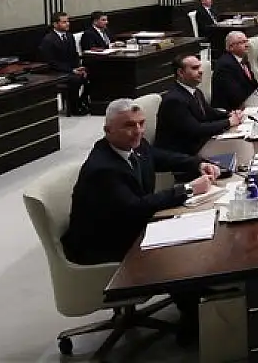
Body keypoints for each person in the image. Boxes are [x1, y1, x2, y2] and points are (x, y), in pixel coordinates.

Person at [60, 98, 219, 346]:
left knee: (187, 226)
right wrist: (188, 189)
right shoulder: (103, 168)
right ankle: (193, 321)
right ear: (108, 130)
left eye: (141, 123)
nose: (138, 131)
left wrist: (198, 163)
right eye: (129, 125)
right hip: (101, 244)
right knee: (175, 247)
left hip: (126, 225)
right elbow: (136, 208)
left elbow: (159, 157)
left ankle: (196, 296)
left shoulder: (135, 145)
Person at [155, 54, 242, 156]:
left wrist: (229, 114)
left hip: (199, 145)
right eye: (195, 68)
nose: (201, 71)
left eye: (200, 67)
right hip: (182, 155)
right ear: (180, 72)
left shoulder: (195, 91)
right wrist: (229, 122)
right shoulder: (174, 100)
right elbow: (196, 129)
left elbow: (209, 113)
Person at [39, 11, 89, 116]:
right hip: (56, 71)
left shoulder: (69, 36)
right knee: (75, 79)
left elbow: (75, 54)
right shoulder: (48, 40)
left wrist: (79, 67)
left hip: (70, 69)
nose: (67, 24)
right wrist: (72, 70)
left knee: (88, 74)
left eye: (68, 21)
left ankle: (81, 103)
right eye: (64, 22)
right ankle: (74, 108)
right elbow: (51, 62)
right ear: (55, 24)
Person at [210, 32, 258, 110]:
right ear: (231, 47)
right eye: (242, 42)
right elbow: (235, 96)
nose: (247, 45)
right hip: (230, 110)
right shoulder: (226, 65)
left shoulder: (242, 59)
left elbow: (252, 85)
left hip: (245, 103)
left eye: (246, 41)